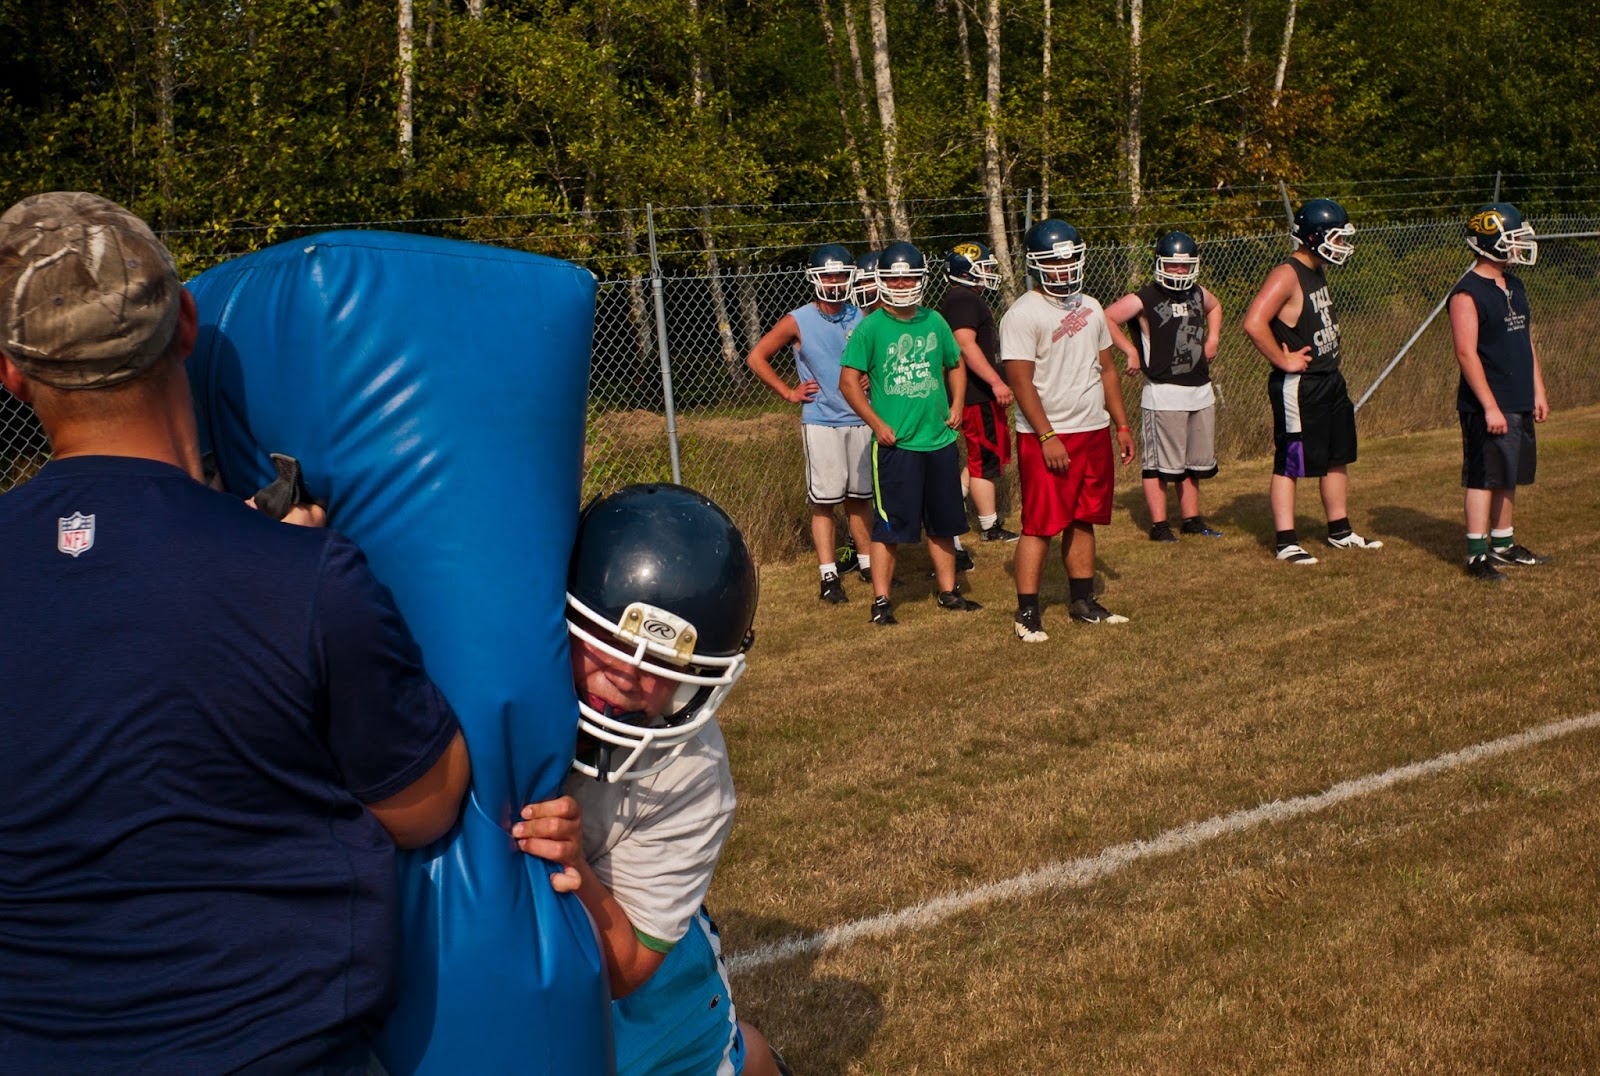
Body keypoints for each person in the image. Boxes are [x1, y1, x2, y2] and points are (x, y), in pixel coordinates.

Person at [0, 192, 470, 1071]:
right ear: (185, 322)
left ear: (11, 373)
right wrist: (281, 579)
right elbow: (428, 803)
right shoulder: (301, 577)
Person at [510, 484, 786, 1076]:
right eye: (607, 639)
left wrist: (573, 868)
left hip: (639, 963)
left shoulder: (692, 773)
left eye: (663, 665)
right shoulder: (501, 672)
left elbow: (627, 965)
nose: (629, 675)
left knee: (710, 1053)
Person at [999, 218, 1135, 642]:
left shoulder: (1091, 306)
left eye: (1070, 259)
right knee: (1040, 524)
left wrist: (1122, 424)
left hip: (1093, 428)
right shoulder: (1022, 314)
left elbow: (1107, 371)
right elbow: (1020, 381)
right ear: (1037, 265)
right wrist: (1046, 435)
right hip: (1049, 434)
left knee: (1084, 517)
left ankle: (1083, 601)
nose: (1063, 269)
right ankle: (1027, 613)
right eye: (1054, 262)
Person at [837, 240, 980, 625]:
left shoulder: (934, 321)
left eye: (909, 278)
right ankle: (881, 601)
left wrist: (957, 404)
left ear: (921, 279)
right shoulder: (871, 328)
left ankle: (949, 592)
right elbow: (848, 382)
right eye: (894, 279)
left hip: (938, 440)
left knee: (944, 523)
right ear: (882, 280)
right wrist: (877, 423)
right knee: (891, 527)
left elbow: (955, 364)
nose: (902, 286)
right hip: (896, 445)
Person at [1242, 197, 1382, 564]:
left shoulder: (1316, 269)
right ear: (1314, 236)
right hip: (1300, 385)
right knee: (1291, 459)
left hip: (1329, 379)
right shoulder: (1286, 274)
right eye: (1335, 238)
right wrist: (1282, 359)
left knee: (1337, 456)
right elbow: (1254, 321)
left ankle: (1339, 530)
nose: (1341, 247)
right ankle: (1286, 540)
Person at [746, 243, 874, 603]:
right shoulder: (798, 319)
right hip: (822, 420)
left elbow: (876, 359)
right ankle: (829, 576)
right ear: (815, 278)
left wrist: (871, 377)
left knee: (860, 497)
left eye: (840, 274)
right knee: (825, 500)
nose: (834, 282)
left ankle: (867, 564)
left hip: (860, 417)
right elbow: (756, 357)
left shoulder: (860, 316)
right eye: (827, 275)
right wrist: (788, 392)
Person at [1449, 202, 1551, 581]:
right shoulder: (1467, 293)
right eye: (1512, 238)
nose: (1519, 246)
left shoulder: (1515, 284)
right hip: (1487, 403)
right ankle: (1477, 554)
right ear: (1490, 242)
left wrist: (1537, 387)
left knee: (1509, 474)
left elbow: (1526, 338)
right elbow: (1466, 352)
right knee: (1484, 476)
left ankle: (1503, 543)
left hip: (1518, 394)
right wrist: (1490, 406)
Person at [1104, 230, 1225, 542]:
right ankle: (1159, 525)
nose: (1180, 271)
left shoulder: (1198, 293)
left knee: (1193, 464)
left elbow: (1216, 306)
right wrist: (1130, 351)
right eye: (1173, 265)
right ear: (1160, 264)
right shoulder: (1145, 296)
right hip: (1163, 391)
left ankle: (1192, 519)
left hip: (1200, 389)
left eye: (1184, 266)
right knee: (1159, 466)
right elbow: (1106, 318)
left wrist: (1213, 338)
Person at [942, 241, 1020, 546]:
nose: (988, 272)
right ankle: (989, 525)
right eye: (983, 266)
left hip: (979, 394)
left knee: (983, 456)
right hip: (976, 394)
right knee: (983, 459)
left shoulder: (965, 298)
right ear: (966, 271)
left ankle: (949, 502)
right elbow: (965, 343)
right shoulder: (963, 299)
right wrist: (995, 382)